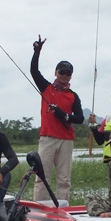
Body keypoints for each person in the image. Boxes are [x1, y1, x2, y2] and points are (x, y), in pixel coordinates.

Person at [30, 35, 84, 203]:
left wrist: (64, 116)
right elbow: (34, 71)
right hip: (47, 139)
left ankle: (63, 210)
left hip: (66, 141)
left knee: (64, 180)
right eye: (62, 72)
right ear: (56, 72)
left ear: (71, 76)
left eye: (68, 73)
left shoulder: (73, 96)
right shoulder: (46, 88)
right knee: (41, 177)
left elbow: (80, 118)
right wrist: (37, 52)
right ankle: (40, 209)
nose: (64, 75)